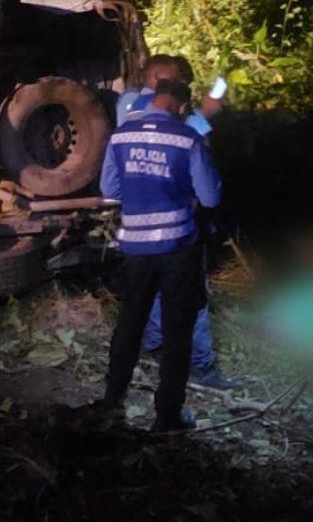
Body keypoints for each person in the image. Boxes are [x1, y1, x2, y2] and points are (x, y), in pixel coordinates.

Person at [99, 78, 223, 432]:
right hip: (176, 248)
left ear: (155, 101)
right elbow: (211, 197)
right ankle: (167, 415)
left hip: (135, 247)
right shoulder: (188, 138)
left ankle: (111, 401)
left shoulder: (121, 135)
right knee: (177, 330)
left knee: (129, 324)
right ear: (182, 106)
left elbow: (109, 189)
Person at [118, 55, 241, 390]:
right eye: (178, 82)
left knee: (155, 292)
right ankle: (200, 366)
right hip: (174, 227)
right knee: (190, 296)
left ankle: (159, 350)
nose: (182, 89)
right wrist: (206, 117)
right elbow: (178, 140)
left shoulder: (136, 113)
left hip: (140, 229)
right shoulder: (135, 105)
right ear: (157, 78)